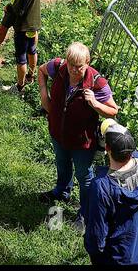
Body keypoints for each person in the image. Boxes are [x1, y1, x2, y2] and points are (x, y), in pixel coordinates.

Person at [38, 41, 119, 232]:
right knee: (62, 163)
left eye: (79, 66)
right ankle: (62, 191)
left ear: (88, 62)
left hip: (82, 141)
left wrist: (95, 104)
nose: (73, 69)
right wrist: (44, 96)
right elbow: (41, 71)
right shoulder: (59, 67)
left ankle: (85, 211)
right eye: (71, 64)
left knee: (84, 176)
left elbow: (113, 111)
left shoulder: (97, 82)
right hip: (58, 133)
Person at [83, 120, 138, 265]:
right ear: (132, 150)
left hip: (114, 258)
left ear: (107, 148)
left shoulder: (101, 187)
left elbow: (96, 239)